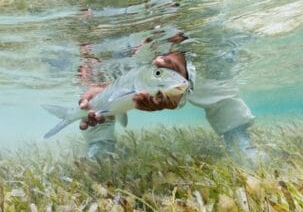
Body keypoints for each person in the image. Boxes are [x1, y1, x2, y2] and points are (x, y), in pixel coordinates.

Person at [78, 48, 258, 163]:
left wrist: (179, 60)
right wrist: (104, 88)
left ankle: (237, 139)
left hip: (177, 61)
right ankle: (99, 145)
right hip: (124, 57)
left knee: (213, 85)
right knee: (95, 103)